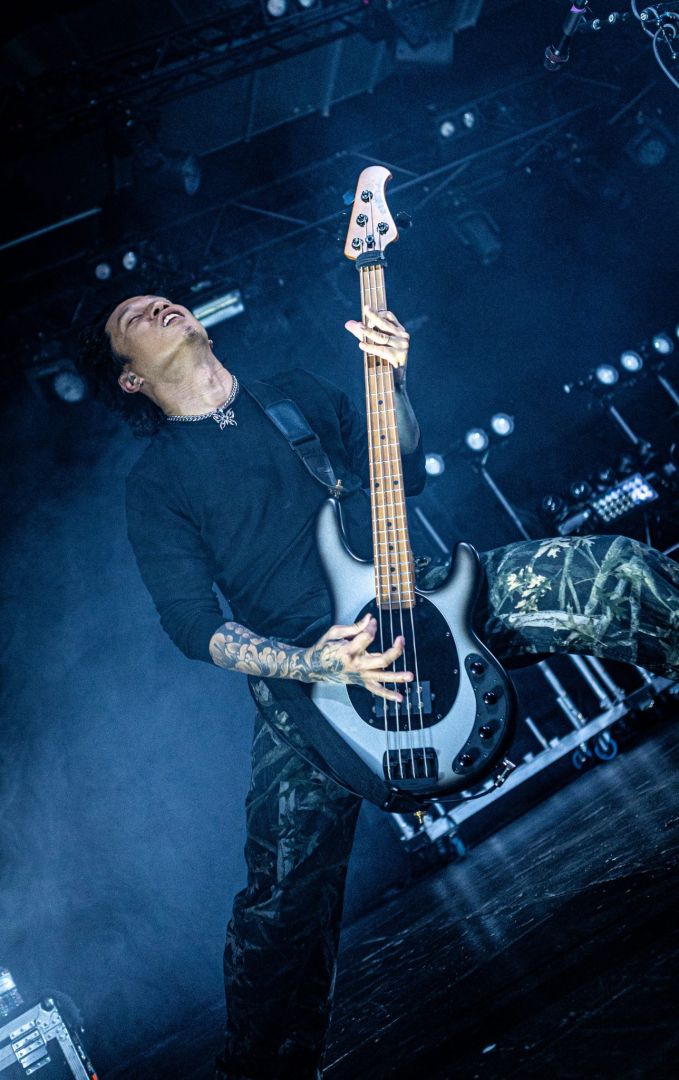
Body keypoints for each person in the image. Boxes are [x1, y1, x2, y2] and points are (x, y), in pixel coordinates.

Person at [78, 294, 679, 1079]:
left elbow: (400, 470)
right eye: (134, 318)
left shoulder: (291, 394)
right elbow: (192, 623)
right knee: (280, 905)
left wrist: (391, 381)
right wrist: (310, 664)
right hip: (312, 676)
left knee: (617, 571)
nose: (160, 306)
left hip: (422, 596)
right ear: (129, 379)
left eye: (162, 300)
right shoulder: (156, 484)